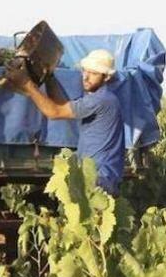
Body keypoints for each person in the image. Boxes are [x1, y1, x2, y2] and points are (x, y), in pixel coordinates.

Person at [10, 49, 125, 195]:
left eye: (93, 74)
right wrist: (49, 77)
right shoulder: (99, 98)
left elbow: (54, 112)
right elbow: (62, 106)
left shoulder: (101, 100)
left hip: (100, 178)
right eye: (85, 71)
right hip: (96, 175)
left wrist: (27, 84)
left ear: (107, 77)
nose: (86, 77)